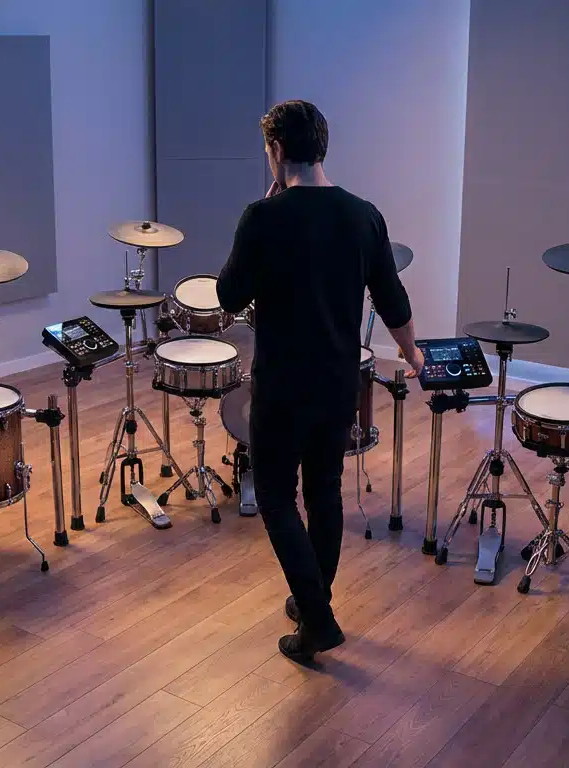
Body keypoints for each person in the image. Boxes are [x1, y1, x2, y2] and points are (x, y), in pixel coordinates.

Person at [217, 100, 422, 664]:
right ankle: (313, 604)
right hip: (339, 383)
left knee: (278, 501)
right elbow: (392, 298)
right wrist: (413, 355)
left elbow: (229, 296)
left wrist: (261, 211)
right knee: (324, 492)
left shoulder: (263, 217)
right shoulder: (364, 214)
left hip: (282, 386)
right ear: (322, 147)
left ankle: (319, 619)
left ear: (277, 151)